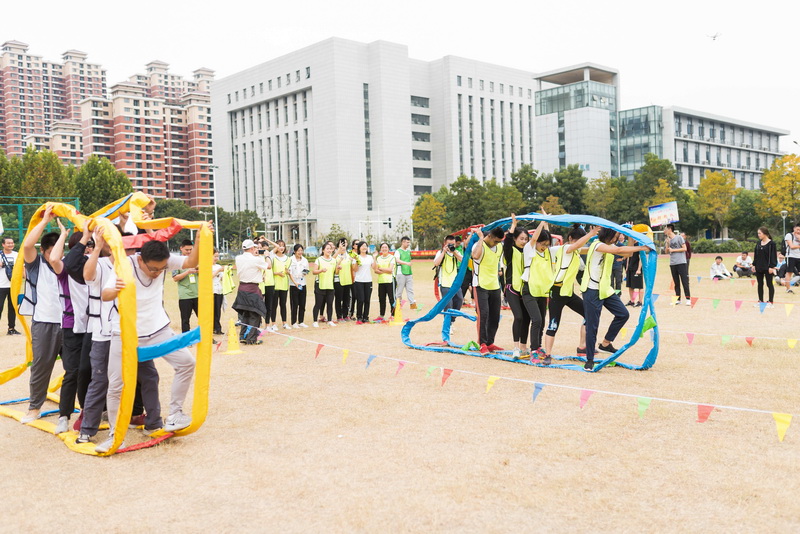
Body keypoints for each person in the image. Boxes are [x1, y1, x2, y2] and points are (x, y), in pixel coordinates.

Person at [100, 235, 209, 453]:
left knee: (186, 362)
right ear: (141, 260)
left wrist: (199, 240)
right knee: (116, 385)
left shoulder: (164, 261)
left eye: (161, 269)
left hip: (158, 329)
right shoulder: (126, 264)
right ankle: (115, 436)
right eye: (153, 269)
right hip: (125, 333)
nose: (158, 272)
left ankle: (175, 414)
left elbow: (190, 263)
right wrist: (117, 289)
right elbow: (105, 295)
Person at [19, 206, 67, 424]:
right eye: (52, 252)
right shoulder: (36, 265)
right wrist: (46, 219)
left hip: (70, 323)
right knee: (41, 366)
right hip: (45, 323)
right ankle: (34, 407)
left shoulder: (66, 265)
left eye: (60, 251)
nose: (57, 256)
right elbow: (28, 245)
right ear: (44, 252)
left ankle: (86, 408)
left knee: (79, 368)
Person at [581, 227, 650, 370]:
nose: (618, 237)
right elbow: (618, 251)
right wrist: (643, 247)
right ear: (609, 235)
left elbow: (629, 252)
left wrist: (631, 236)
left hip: (605, 289)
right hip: (592, 290)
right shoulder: (597, 245)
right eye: (616, 234)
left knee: (623, 314)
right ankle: (589, 359)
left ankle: (605, 344)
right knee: (592, 326)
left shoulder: (610, 246)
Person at [76, 225, 118, 444]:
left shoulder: (134, 264)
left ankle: (150, 420)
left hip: (129, 333)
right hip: (103, 332)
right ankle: (88, 428)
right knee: (98, 379)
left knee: (144, 375)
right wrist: (98, 245)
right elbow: (87, 274)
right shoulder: (100, 263)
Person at [53, 226, 92, 435]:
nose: (88, 250)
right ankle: (64, 415)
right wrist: (64, 235)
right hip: (72, 326)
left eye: (91, 246)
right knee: (73, 372)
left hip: (95, 326)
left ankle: (90, 411)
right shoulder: (66, 270)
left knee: (92, 370)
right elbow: (54, 259)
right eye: (85, 246)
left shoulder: (96, 267)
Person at [544, 224, 599, 363]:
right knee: (553, 324)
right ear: (570, 239)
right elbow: (577, 245)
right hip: (557, 291)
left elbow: (591, 249)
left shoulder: (576, 251)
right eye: (578, 241)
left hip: (568, 293)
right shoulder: (565, 248)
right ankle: (547, 354)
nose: (581, 244)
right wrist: (591, 233)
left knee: (589, 314)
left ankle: (582, 347)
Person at [521, 219, 556, 361]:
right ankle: (533, 350)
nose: (545, 247)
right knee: (536, 319)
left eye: (547, 245)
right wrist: (543, 221)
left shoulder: (548, 252)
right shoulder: (529, 250)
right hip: (529, 290)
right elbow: (535, 237)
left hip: (542, 291)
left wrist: (547, 226)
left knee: (541, 321)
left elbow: (547, 236)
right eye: (543, 244)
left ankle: (538, 346)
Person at [472, 226, 505, 354]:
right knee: (483, 315)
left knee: (495, 316)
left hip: (495, 286)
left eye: (499, 241)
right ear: (489, 236)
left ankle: (490, 342)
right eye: (495, 241)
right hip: (480, 285)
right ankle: (482, 343)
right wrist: (481, 238)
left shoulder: (500, 247)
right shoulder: (479, 245)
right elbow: (475, 256)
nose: (497, 243)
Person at [502, 215, 530, 359]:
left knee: (526, 318)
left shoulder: (529, 252)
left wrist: (544, 223)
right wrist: (513, 226)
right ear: (515, 239)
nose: (524, 242)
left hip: (526, 289)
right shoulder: (510, 251)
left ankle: (524, 348)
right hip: (512, 288)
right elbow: (506, 241)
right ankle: (516, 347)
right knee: (518, 317)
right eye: (521, 239)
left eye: (526, 239)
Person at [233, 239, 270, 345]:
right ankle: (252, 338)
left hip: (242, 288)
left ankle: (243, 336)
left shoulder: (238, 258)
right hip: (252, 289)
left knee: (245, 314)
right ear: (252, 248)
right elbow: (269, 266)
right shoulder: (255, 259)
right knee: (255, 314)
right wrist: (266, 255)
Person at [432, 235, 464, 321]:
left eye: (453, 244)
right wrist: (443, 252)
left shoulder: (456, 252)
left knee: (460, 300)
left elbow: (463, 261)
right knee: (448, 305)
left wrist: (454, 253)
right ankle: (448, 324)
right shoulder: (440, 252)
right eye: (449, 244)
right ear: (445, 244)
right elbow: (436, 263)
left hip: (455, 283)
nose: (451, 246)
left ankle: (452, 320)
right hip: (445, 283)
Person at [172, 239, 199, 333]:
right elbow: (175, 278)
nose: (189, 252)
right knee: (185, 320)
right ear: (181, 248)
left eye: (191, 249)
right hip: (185, 295)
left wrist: (198, 269)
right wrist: (188, 272)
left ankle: (207, 337)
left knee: (203, 319)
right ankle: (186, 340)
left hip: (198, 294)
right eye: (187, 250)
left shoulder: (196, 260)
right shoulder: (176, 262)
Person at [664, 224, 691, 306]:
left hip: (681, 262)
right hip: (673, 263)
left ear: (670, 229)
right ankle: (677, 299)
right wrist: (668, 244)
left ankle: (688, 298)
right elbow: (666, 252)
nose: (664, 231)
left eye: (665, 229)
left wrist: (674, 250)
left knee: (684, 281)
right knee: (676, 282)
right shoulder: (668, 239)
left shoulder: (679, 237)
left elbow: (684, 248)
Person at [311, 241, 337, 327]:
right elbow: (314, 272)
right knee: (318, 303)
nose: (329, 250)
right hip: (320, 284)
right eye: (327, 249)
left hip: (330, 285)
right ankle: (315, 321)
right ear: (323, 250)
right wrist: (321, 270)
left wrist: (338, 268)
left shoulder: (334, 260)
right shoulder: (319, 260)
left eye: (330, 249)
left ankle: (329, 320)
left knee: (330, 303)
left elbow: (335, 272)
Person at [268, 239, 291, 330]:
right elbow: (269, 271)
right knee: (274, 305)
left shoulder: (288, 259)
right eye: (279, 245)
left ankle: (284, 322)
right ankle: (273, 323)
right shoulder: (272, 258)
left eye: (283, 245)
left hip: (284, 284)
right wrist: (277, 273)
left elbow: (288, 271)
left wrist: (287, 272)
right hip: (275, 284)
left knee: (283, 304)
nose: (281, 247)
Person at [0, 236, 21, 335]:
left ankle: (11, 328)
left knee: (12, 307)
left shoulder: (17, 255)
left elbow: (22, 268)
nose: (11, 244)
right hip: (1, 285)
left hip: (13, 285)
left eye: (12, 243)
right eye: (8, 243)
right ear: (3, 244)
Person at [753, 227, 777, 308]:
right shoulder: (758, 243)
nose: (758, 235)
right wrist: (754, 264)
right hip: (759, 267)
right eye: (758, 233)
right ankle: (760, 300)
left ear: (765, 233)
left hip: (768, 268)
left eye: (760, 233)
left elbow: (773, 256)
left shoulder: (772, 244)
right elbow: (756, 255)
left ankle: (770, 302)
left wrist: (771, 266)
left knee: (769, 284)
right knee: (760, 284)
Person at [287, 244, 309, 328]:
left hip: (302, 283)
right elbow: (289, 273)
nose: (300, 252)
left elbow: (306, 271)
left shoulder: (305, 260)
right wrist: (295, 282)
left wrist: (302, 275)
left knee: (302, 304)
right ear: (295, 251)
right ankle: (294, 322)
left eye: (301, 250)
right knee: (294, 304)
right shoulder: (290, 260)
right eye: (298, 250)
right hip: (293, 285)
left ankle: (301, 321)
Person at [374, 243, 397, 321]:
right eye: (382, 247)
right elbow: (376, 270)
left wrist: (381, 269)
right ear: (380, 249)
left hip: (390, 281)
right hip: (381, 281)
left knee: (392, 299)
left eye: (386, 247)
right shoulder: (378, 258)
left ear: (388, 249)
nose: (384, 249)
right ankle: (381, 315)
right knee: (381, 299)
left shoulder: (392, 257)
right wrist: (384, 270)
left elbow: (390, 270)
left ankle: (393, 315)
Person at [353, 241, 374, 324]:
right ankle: (359, 317)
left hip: (368, 281)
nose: (364, 247)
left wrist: (375, 258)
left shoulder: (370, 257)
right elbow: (355, 270)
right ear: (359, 248)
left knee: (367, 300)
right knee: (360, 299)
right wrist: (357, 261)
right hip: (359, 281)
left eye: (365, 246)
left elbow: (374, 268)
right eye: (362, 246)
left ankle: (366, 317)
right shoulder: (357, 257)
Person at [333, 238, 353, 322]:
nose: (343, 247)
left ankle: (345, 315)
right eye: (341, 245)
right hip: (338, 280)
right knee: (338, 299)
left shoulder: (348, 255)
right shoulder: (336, 256)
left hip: (347, 280)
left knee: (346, 298)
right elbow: (332, 260)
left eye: (345, 245)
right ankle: (339, 316)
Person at [394, 236, 416, 309]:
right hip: (400, 273)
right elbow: (397, 260)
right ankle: (398, 303)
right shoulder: (398, 251)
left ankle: (412, 303)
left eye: (409, 242)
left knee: (410, 289)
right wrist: (406, 263)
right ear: (403, 242)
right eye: (407, 242)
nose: (408, 244)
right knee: (399, 290)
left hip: (408, 273)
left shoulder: (408, 251)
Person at [626, 233, 644, 306]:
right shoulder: (630, 246)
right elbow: (628, 256)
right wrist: (627, 266)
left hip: (636, 268)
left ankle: (640, 301)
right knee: (630, 286)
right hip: (630, 268)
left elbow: (641, 258)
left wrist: (639, 269)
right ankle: (632, 301)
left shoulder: (639, 246)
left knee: (640, 286)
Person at [784, 223, 800, 294]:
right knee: (789, 272)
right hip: (790, 256)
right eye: (797, 229)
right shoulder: (789, 235)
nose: (798, 231)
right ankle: (788, 289)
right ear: (794, 228)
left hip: (798, 256)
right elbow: (791, 246)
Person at [211, 249, 224, 335]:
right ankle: (213, 327)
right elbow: (209, 276)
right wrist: (218, 271)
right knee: (212, 310)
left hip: (219, 290)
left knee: (218, 310)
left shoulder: (218, 266)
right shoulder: (207, 266)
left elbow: (222, 279)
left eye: (217, 256)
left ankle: (217, 328)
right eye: (215, 256)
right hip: (211, 291)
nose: (216, 258)